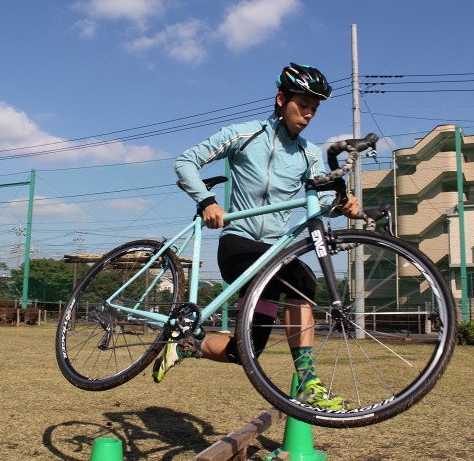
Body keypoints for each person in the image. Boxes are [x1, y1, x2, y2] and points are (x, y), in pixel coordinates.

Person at [152, 63, 360, 410]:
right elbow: (186, 161)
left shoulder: (309, 154)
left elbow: (321, 199)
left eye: (315, 108)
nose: (308, 114)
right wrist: (206, 200)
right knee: (303, 281)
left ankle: (185, 345)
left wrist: (341, 204)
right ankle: (309, 382)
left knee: (245, 350)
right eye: (302, 104)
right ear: (282, 99)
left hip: (273, 254)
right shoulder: (244, 134)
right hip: (240, 245)